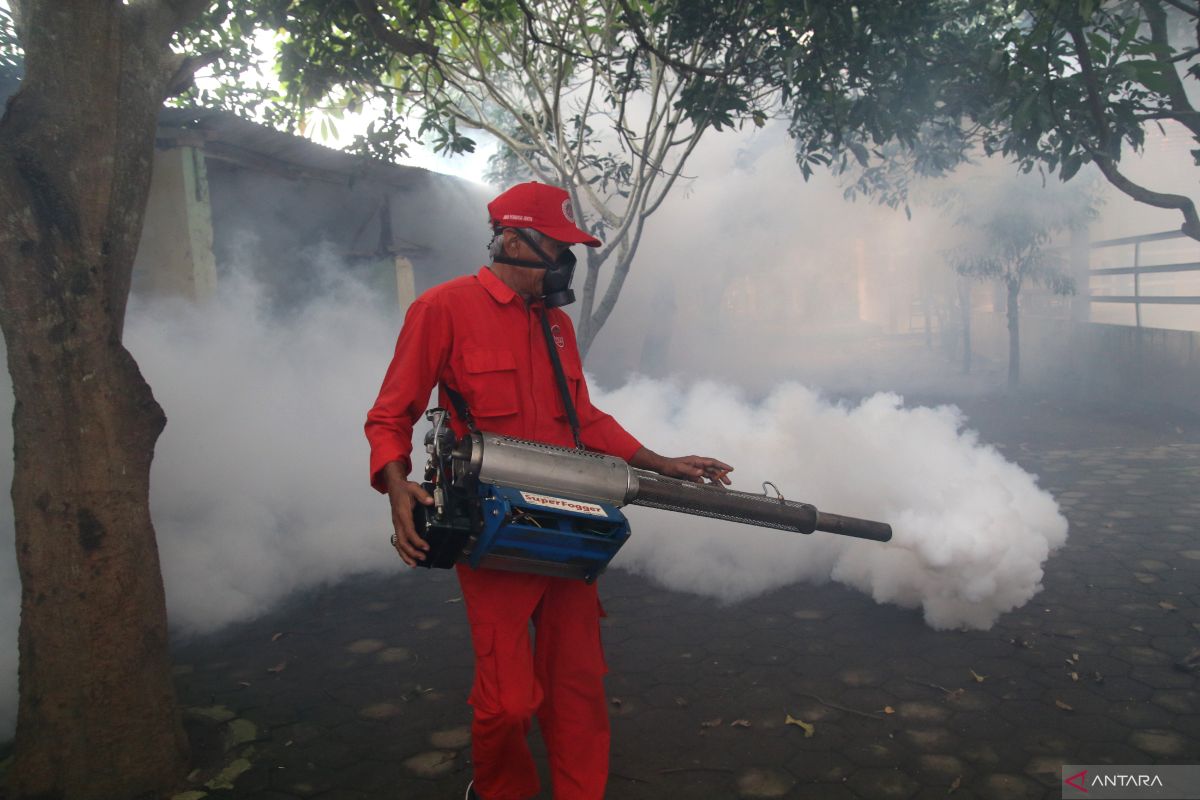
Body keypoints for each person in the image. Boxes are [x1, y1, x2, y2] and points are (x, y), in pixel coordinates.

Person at [365, 181, 732, 800]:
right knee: (507, 703)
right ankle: (501, 790)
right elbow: (389, 414)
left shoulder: (556, 325)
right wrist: (396, 485)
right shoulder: (443, 309)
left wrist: (660, 461)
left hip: (568, 525)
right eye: (556, 248)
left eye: (569, 250)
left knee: (577, 686)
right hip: (492, 530)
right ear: (512, 240)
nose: (565, 263)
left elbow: (583, 418)